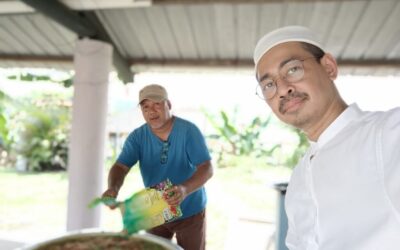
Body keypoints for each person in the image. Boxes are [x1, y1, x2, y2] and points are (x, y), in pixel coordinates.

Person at [253, 26, 400, 249]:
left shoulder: (386, 134)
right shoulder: (298, 181)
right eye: (269, 85)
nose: (282, 89)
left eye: (292, 70)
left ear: (329, 67)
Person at [102, 84, 213, 250]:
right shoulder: (137, 137)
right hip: (156, 209)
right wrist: (113, 188)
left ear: (168, 104)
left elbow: (206, 167)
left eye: (157, 104)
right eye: (145, 106)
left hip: (191, 211)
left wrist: (184, 189)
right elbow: (121, 166)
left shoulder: (188, 131)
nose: (151, 111)